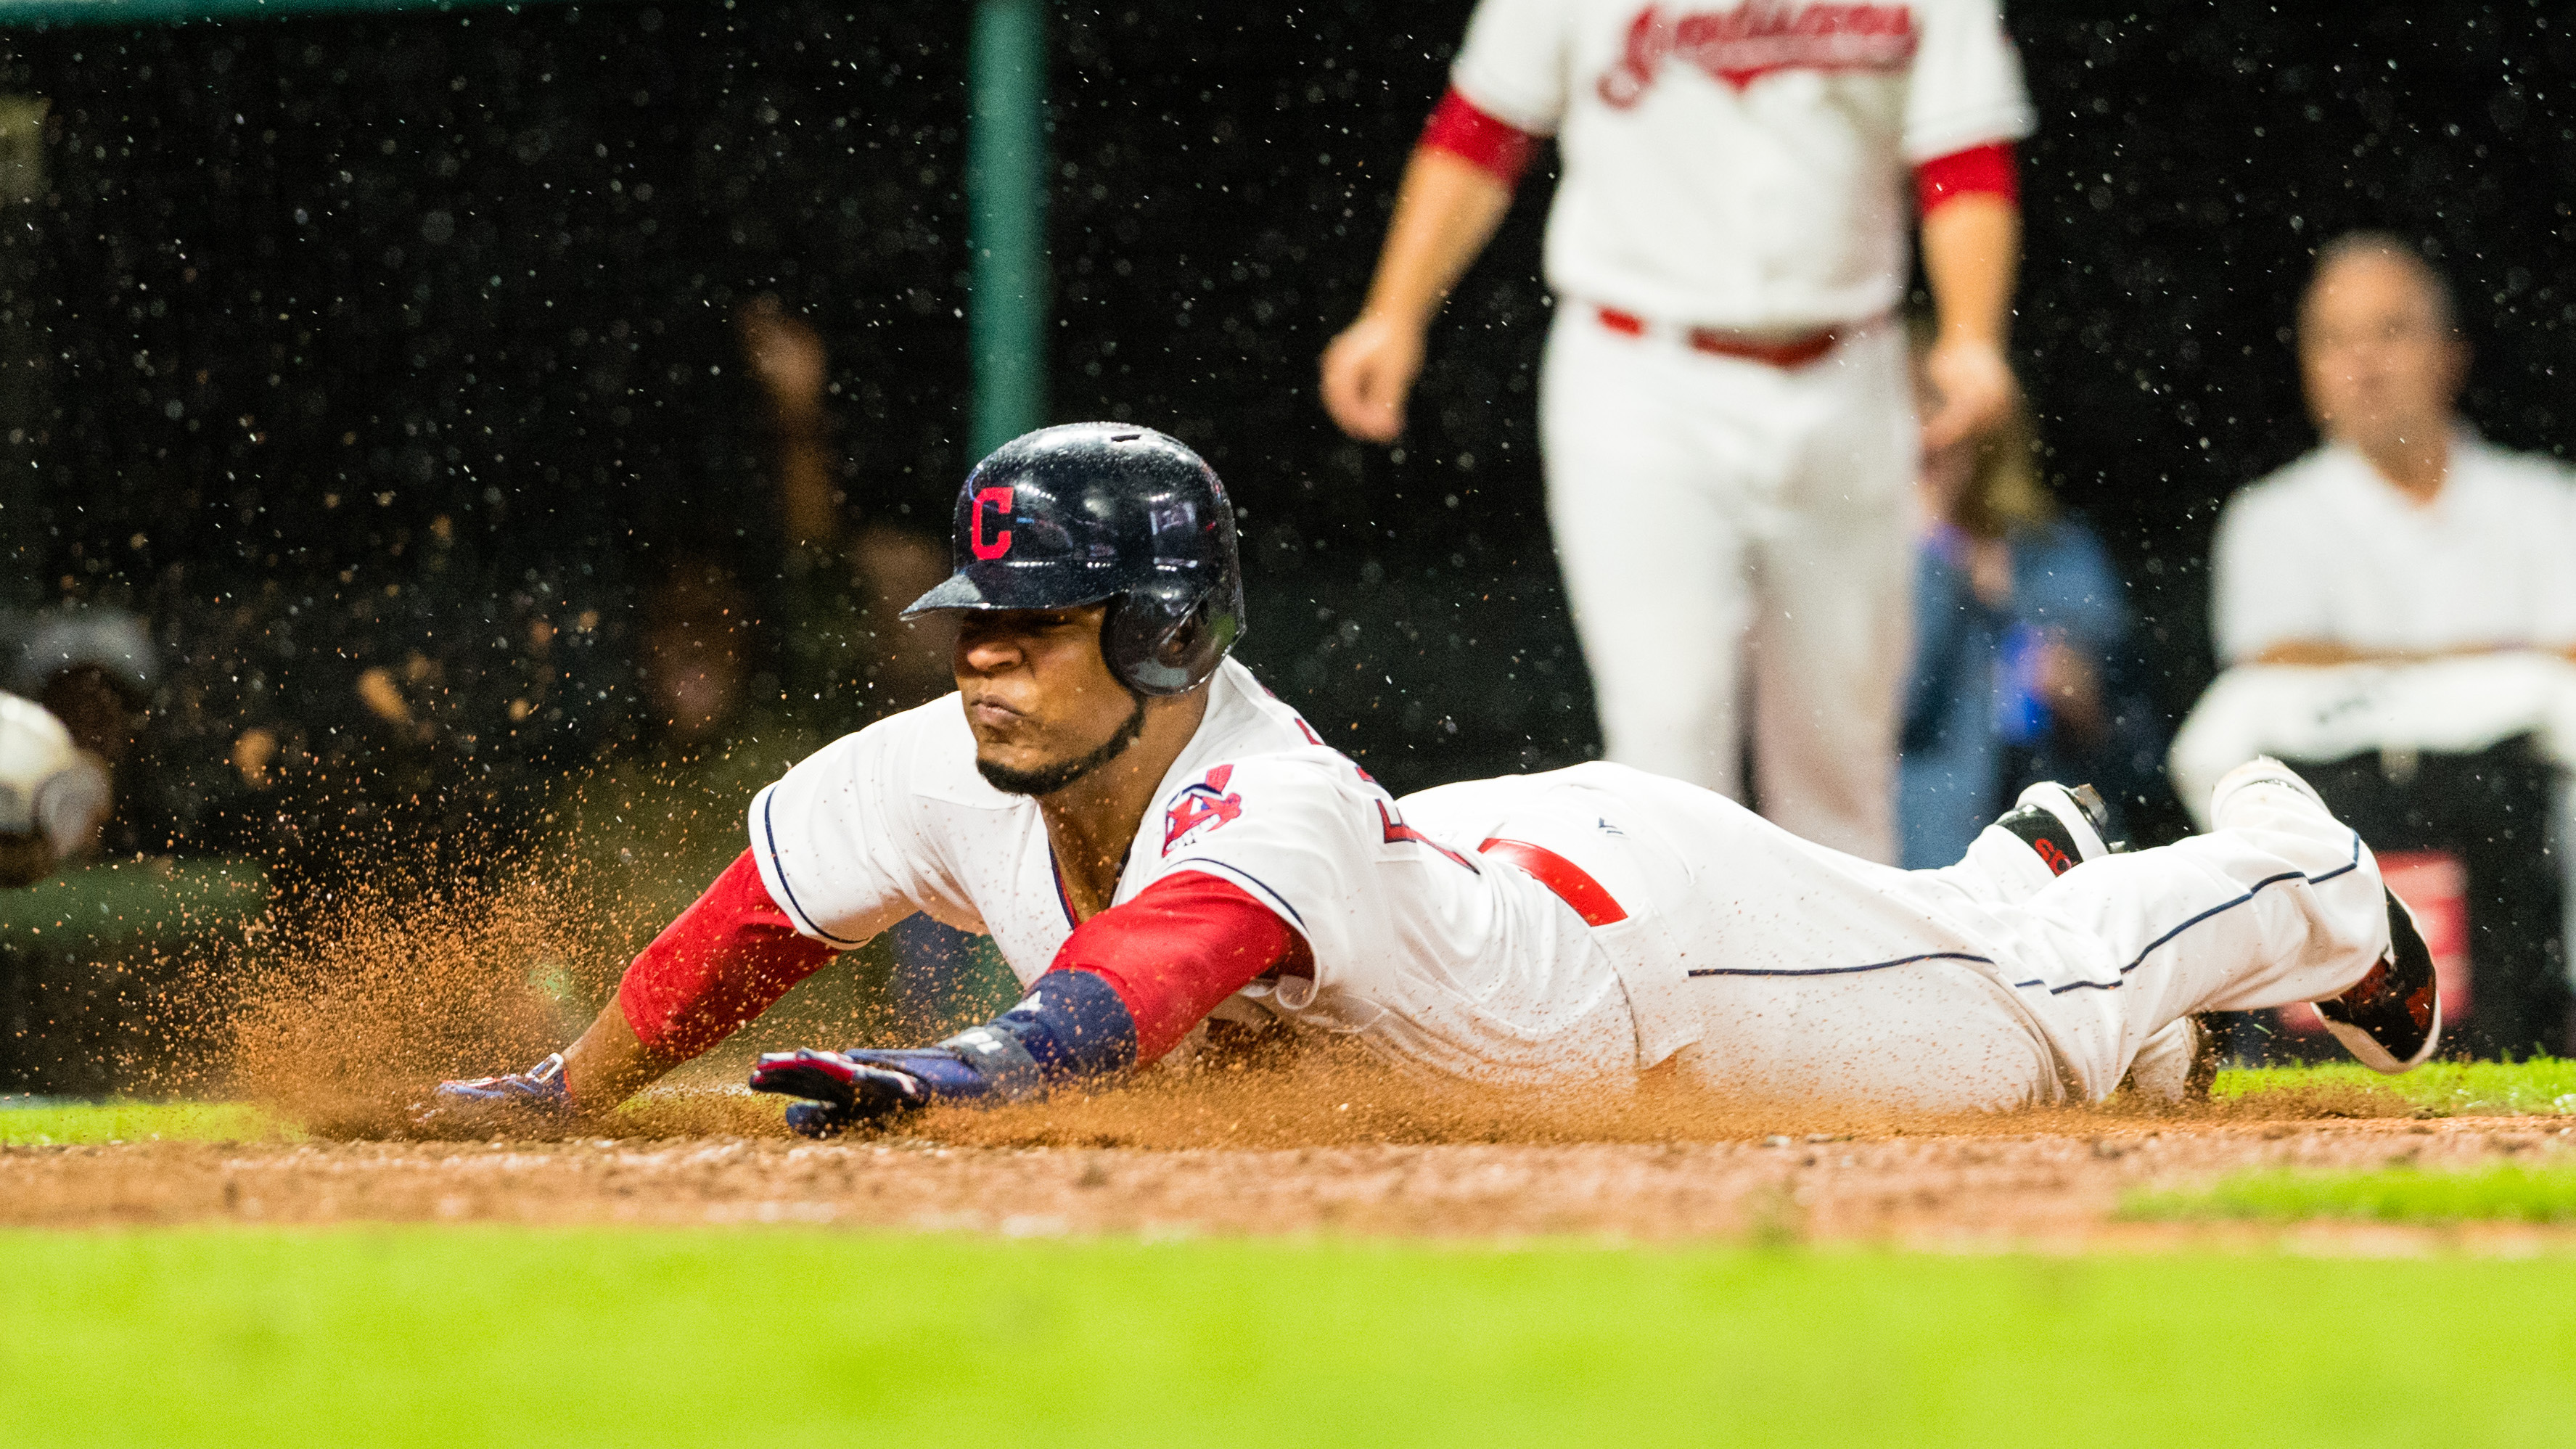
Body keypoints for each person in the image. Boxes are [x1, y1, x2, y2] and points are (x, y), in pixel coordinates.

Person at [435, 424, 2440, 1130]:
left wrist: (971, 1069)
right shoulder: (953, 757)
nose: (978, 647)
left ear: (1159, 635)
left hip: (1643, 963)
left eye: (1027, 616)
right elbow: (766, 908)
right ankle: (2018, 858)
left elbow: (1153, 969)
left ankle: (2297, 869)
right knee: (2003, 960)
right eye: (973, 610)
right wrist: (567, 1087)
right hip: (1479, 864)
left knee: (2047, 1026)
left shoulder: (1260, 798)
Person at [1317, 0, 2036, 862]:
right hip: (1641, 373)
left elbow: (1964, 156)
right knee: (1668, 738)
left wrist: (1971, 332)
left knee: (1841, 753)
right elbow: (1483, 129)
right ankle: (1687, 994)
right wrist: (1394, 311)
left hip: (1849, 367)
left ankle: (1842, 991)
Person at [1899, 390, 2146, 869]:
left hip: (2057, 848)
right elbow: (1892, 707)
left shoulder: (2056, 553)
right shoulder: (1857, 569)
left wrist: (2080, 689)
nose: (1926, 437)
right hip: (1919, 855)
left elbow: (2136, 738)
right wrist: (1932, 549)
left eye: (1938, 410)